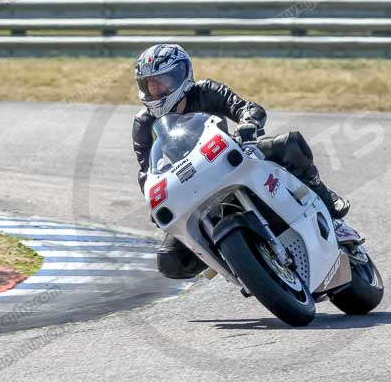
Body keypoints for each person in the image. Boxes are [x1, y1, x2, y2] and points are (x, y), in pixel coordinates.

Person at [132, 43, 350, 279]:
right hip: (188, 185)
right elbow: (147, 172)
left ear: (182, 75)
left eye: (163, 81)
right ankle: (225, 255)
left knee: (291, 143)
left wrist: (249, 122)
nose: (156, 92)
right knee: (169, 261)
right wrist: (153, 198)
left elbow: (246, 108)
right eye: (149, 85)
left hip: (227, 157)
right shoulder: (143, 125)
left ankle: (327, 200)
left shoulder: (205, 90)